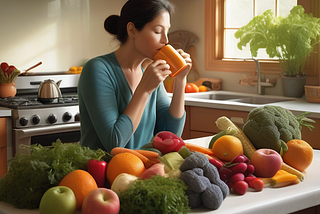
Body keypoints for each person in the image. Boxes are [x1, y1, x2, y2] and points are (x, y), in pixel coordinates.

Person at [78, 0, 192, 152]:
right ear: (132, 30)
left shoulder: (148, 72)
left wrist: (180, 79)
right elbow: (114, 142)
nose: (166, 40)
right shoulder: (97, 69)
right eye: (158, 31)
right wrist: (144, 90)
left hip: (142, 171)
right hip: (102, 173)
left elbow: (170, 136)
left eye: (167, 32)